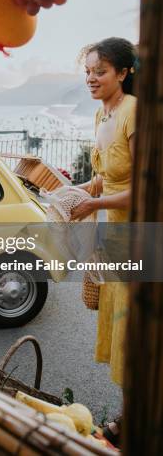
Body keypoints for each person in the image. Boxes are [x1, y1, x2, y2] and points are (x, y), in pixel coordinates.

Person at [71, 37, 137, 444]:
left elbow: (145, 187)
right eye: (89, 72)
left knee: (134, 328)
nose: (92, 79)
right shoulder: (102, 115)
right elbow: (104, 178)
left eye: (101, 71)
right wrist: (78, 191)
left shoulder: (135, 112)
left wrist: (93, 204)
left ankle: (134, 419)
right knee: (119, 324)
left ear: (124, 73)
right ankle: (131, 413)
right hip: (112, 229)